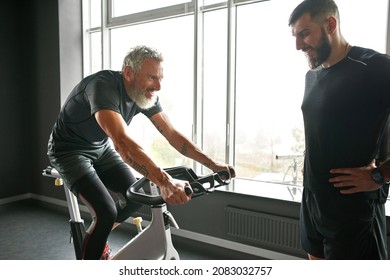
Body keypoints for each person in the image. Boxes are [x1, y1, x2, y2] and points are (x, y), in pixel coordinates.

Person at [47, 45, 235, 260]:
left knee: (135, 197)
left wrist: (213, 165)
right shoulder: (103, 87)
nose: (158, 86)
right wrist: (165, 182)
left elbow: (172, 135)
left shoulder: (144, 94)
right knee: (106, 212)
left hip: (100, 147)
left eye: (160, 78)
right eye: (152, 77)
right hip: (69, 150)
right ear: (129, 73)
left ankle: (97, 239)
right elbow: (123, 144)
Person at [288, 0, 390, 259]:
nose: (298, 45)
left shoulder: (375, 67)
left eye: (304, 33)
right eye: (295, 37)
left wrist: (381, 175)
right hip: (313, 199)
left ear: (330, 24)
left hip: (353, 208)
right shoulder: (311, 77)